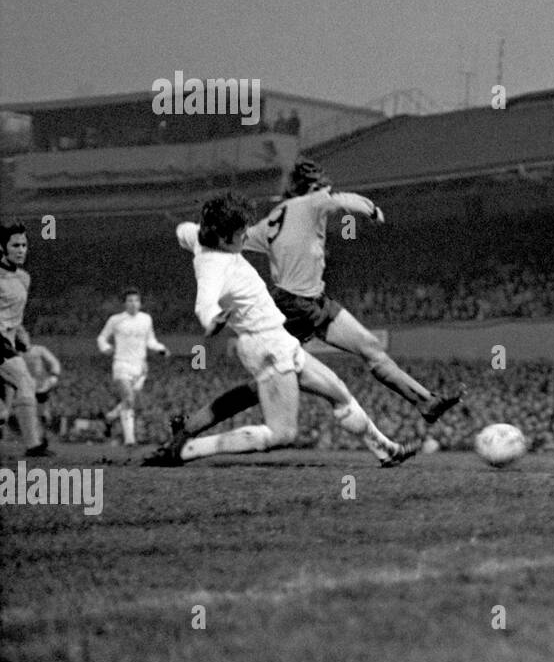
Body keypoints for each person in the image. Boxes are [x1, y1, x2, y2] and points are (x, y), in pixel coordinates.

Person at [165, 159, 463, 446]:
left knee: (370, 347)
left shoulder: (273, 220)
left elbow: (240, 241)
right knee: (263, 386)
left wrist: (198, 235)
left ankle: (426, 402)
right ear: (311, 188)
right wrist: (371, 209)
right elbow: (341, 199)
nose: (326, 191)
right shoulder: (310, 203)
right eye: (321, 186)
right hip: (293, 309)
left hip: (314, 302)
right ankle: (190, 427)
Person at [143, 192, 418, 467]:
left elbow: (184, 231)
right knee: (282, 433)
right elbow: (204, 302)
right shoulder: (213, 266)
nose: (245, 238)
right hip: (265, 347)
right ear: (224, 239)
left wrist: (184, 231)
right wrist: (213, 320)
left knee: (339, 393)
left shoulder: (201, 238)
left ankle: (386, 450)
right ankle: (186, 450)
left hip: (279, 339)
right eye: (241, 234)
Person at [0, 220, 50, 455]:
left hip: (8, 342)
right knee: (24, 379)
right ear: (3, 248)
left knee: (2, 413)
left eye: (24, 245)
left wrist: (21, 334)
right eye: (15, 245)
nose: (21, 250)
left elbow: (15, 316)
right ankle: (33, 446)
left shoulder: (23, 278)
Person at [97, 288, 169, 446]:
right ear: (124, 303)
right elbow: (102, 337)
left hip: (141, 367)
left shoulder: (146, 319)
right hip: (121, 363)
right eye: (129, 300)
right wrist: (105, 347)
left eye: (136, 300)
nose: (133, 303)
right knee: (128, 399)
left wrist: (160, 348)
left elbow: (150, 340)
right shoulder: (115, 320)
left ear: (140, 303)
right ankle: (130, 440)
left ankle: (110, 417)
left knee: (129, 400)